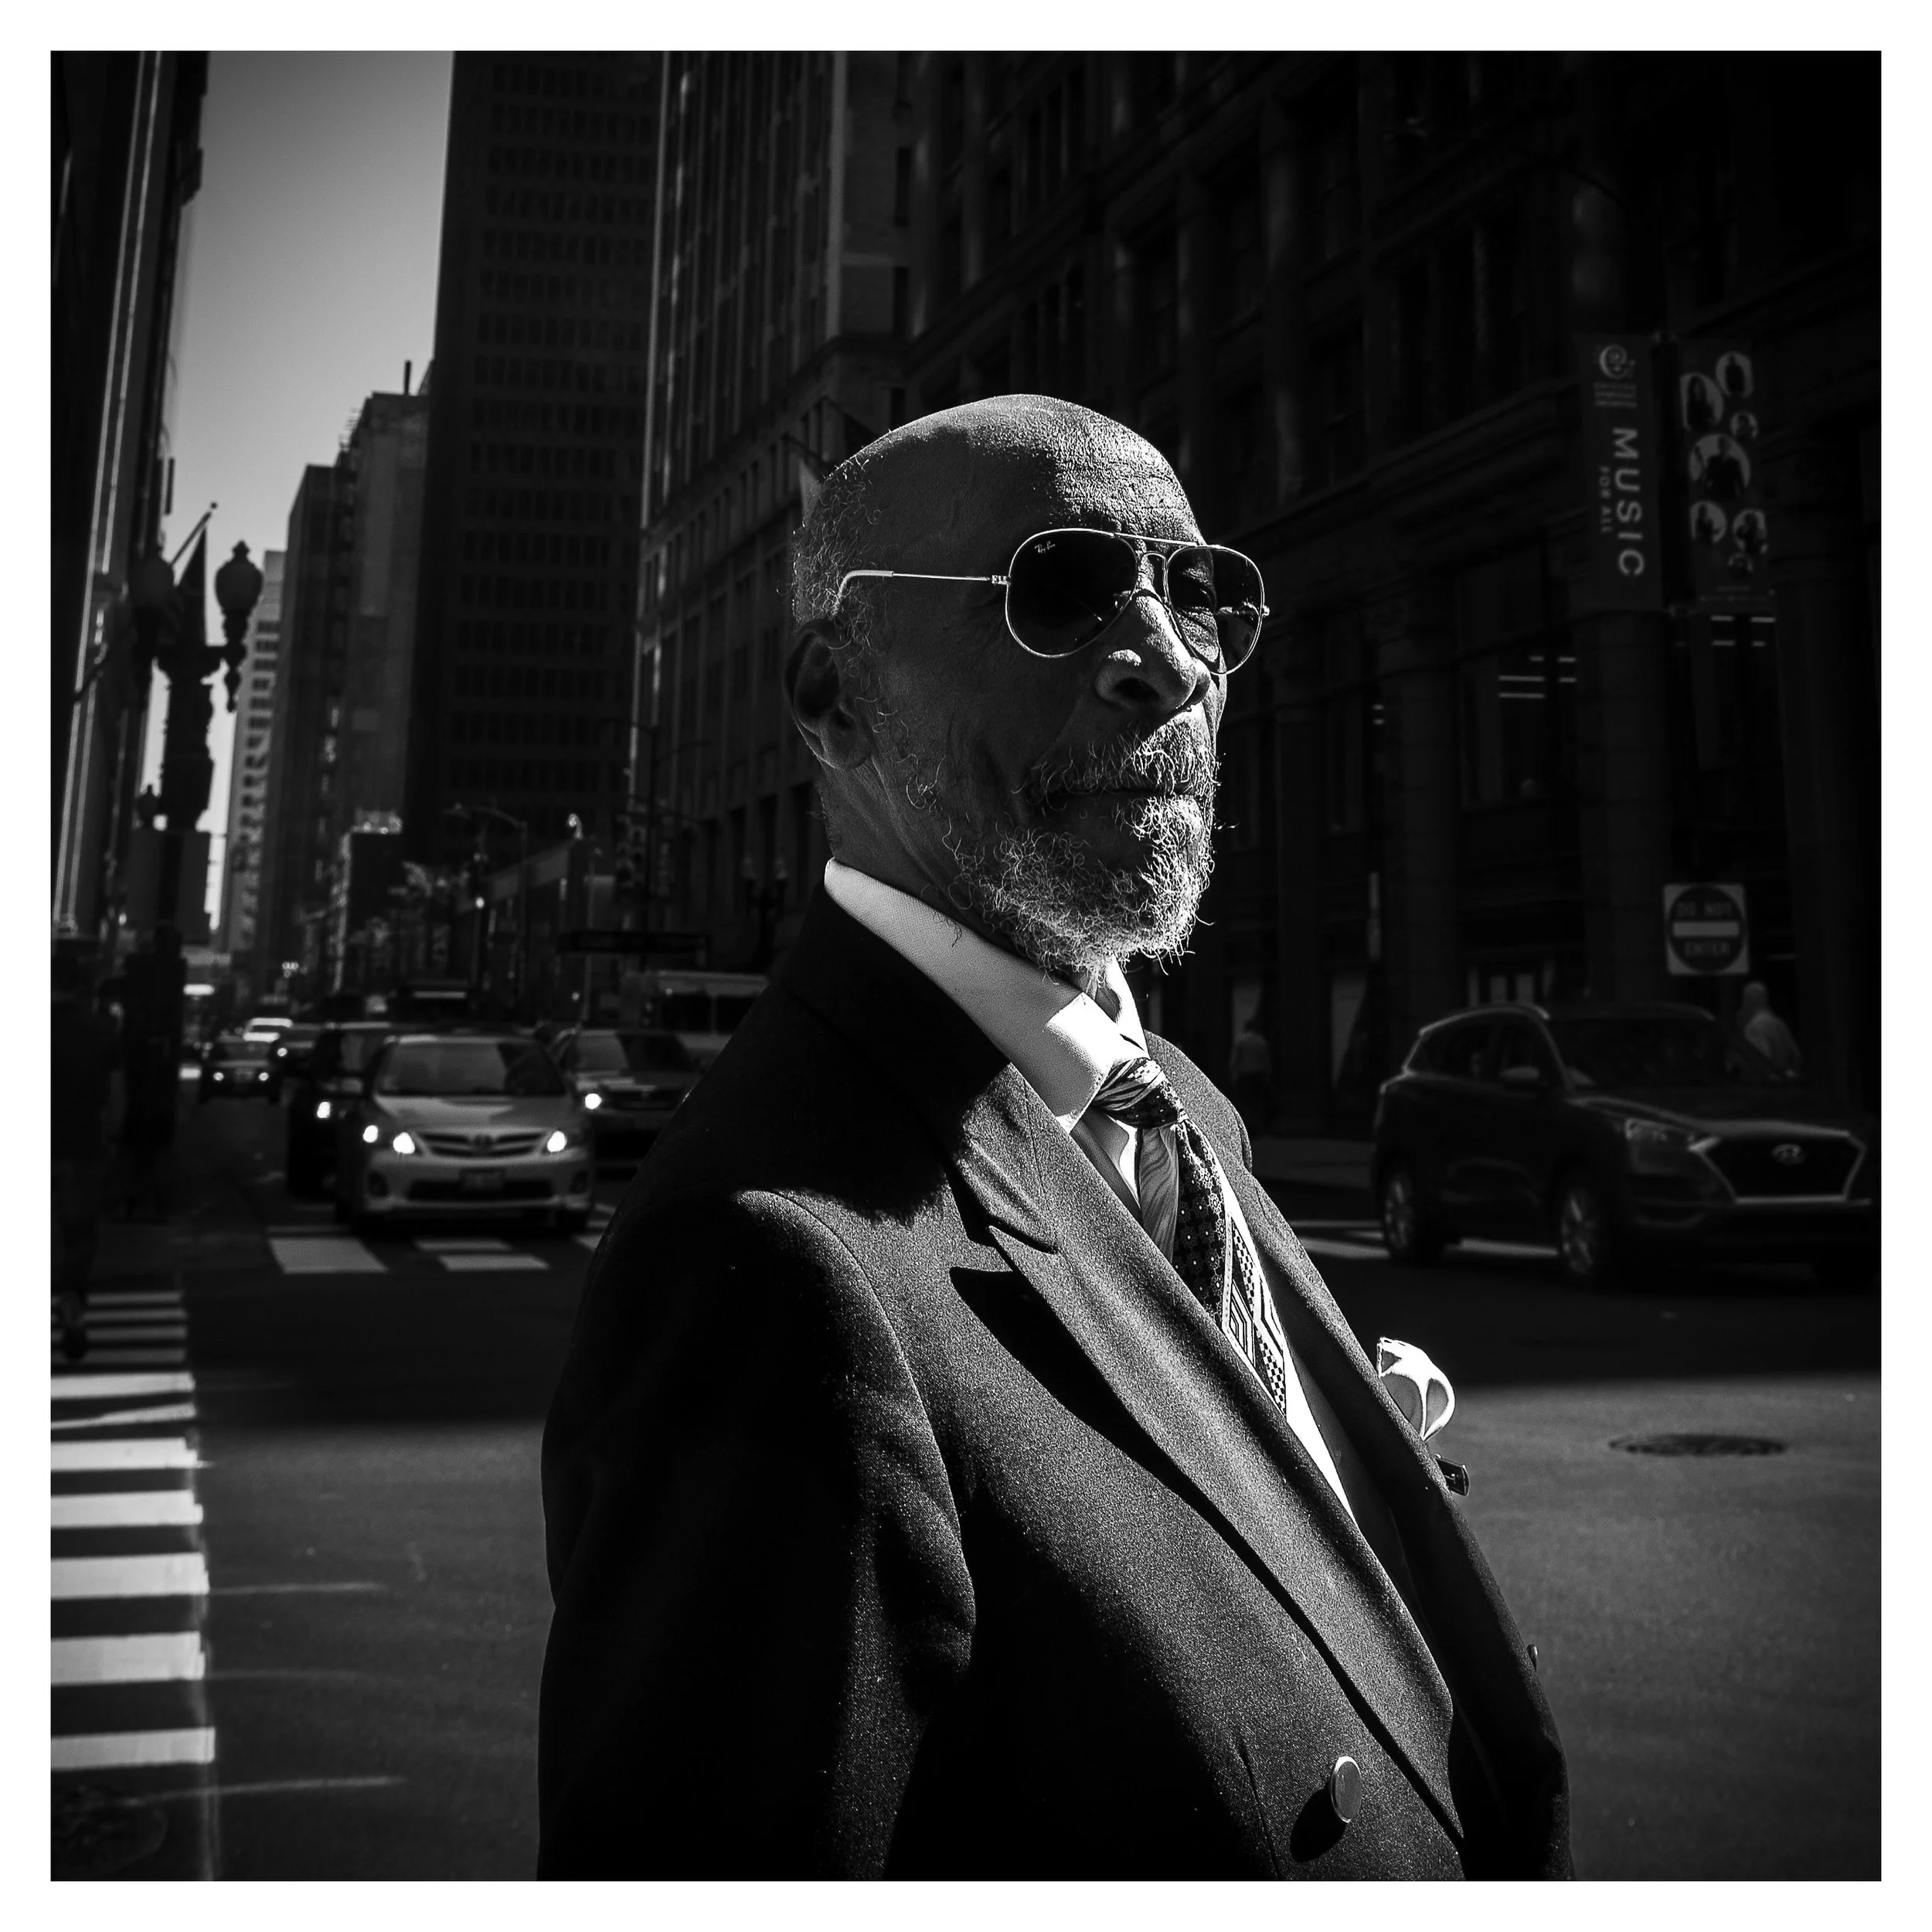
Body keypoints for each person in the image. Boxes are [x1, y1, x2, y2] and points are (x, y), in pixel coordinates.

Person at [539, 397, 1570, 1879]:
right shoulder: (767, 1265)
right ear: (837, 697)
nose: (1166, 660)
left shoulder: (1182, 1108)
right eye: (1065, 591)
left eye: (1200, 596)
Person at [51, 956, 114, 1359]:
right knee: (77, 1234)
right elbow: (118, 1093)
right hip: (82, 1145)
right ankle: (72, 1304)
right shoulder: (100, 1031)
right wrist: (113, 1136)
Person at [1740, 980, 1802, 1078]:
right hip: (1784, 1084)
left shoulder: (1755, 1027)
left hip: (1766, 1087)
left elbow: (1761, 1062)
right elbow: (1796, 1056)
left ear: (1750, 1000)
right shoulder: (1778, 1022)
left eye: (1745, 999)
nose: (1744, 1004)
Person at [1228, 1014, 1274, 1139]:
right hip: (1258, 1074)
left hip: (1244, 1074)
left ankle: (1246, 1128)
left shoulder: (1241, 1041)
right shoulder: (1261, 1041)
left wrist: (1233, 1074)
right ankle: (1258, 1128)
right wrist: (1267, 1075)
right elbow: (1266, 1060)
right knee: (1256, 1103)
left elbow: (1235, 1060)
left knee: (1244, 1103)